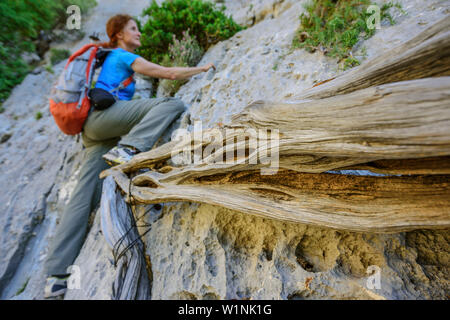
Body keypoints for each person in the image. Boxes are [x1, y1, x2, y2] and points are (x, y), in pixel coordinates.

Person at [43, 14, 215, 299]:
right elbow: (168, 74)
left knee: (82, 197)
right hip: (103, 121)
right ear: (119, 35)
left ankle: (57, 277)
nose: (139, 34)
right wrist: (202, 68)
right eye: (133, 29)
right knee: (172, 103)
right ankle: (129, 149)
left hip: (94, 132)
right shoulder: (122, 56)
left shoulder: (105, 60)